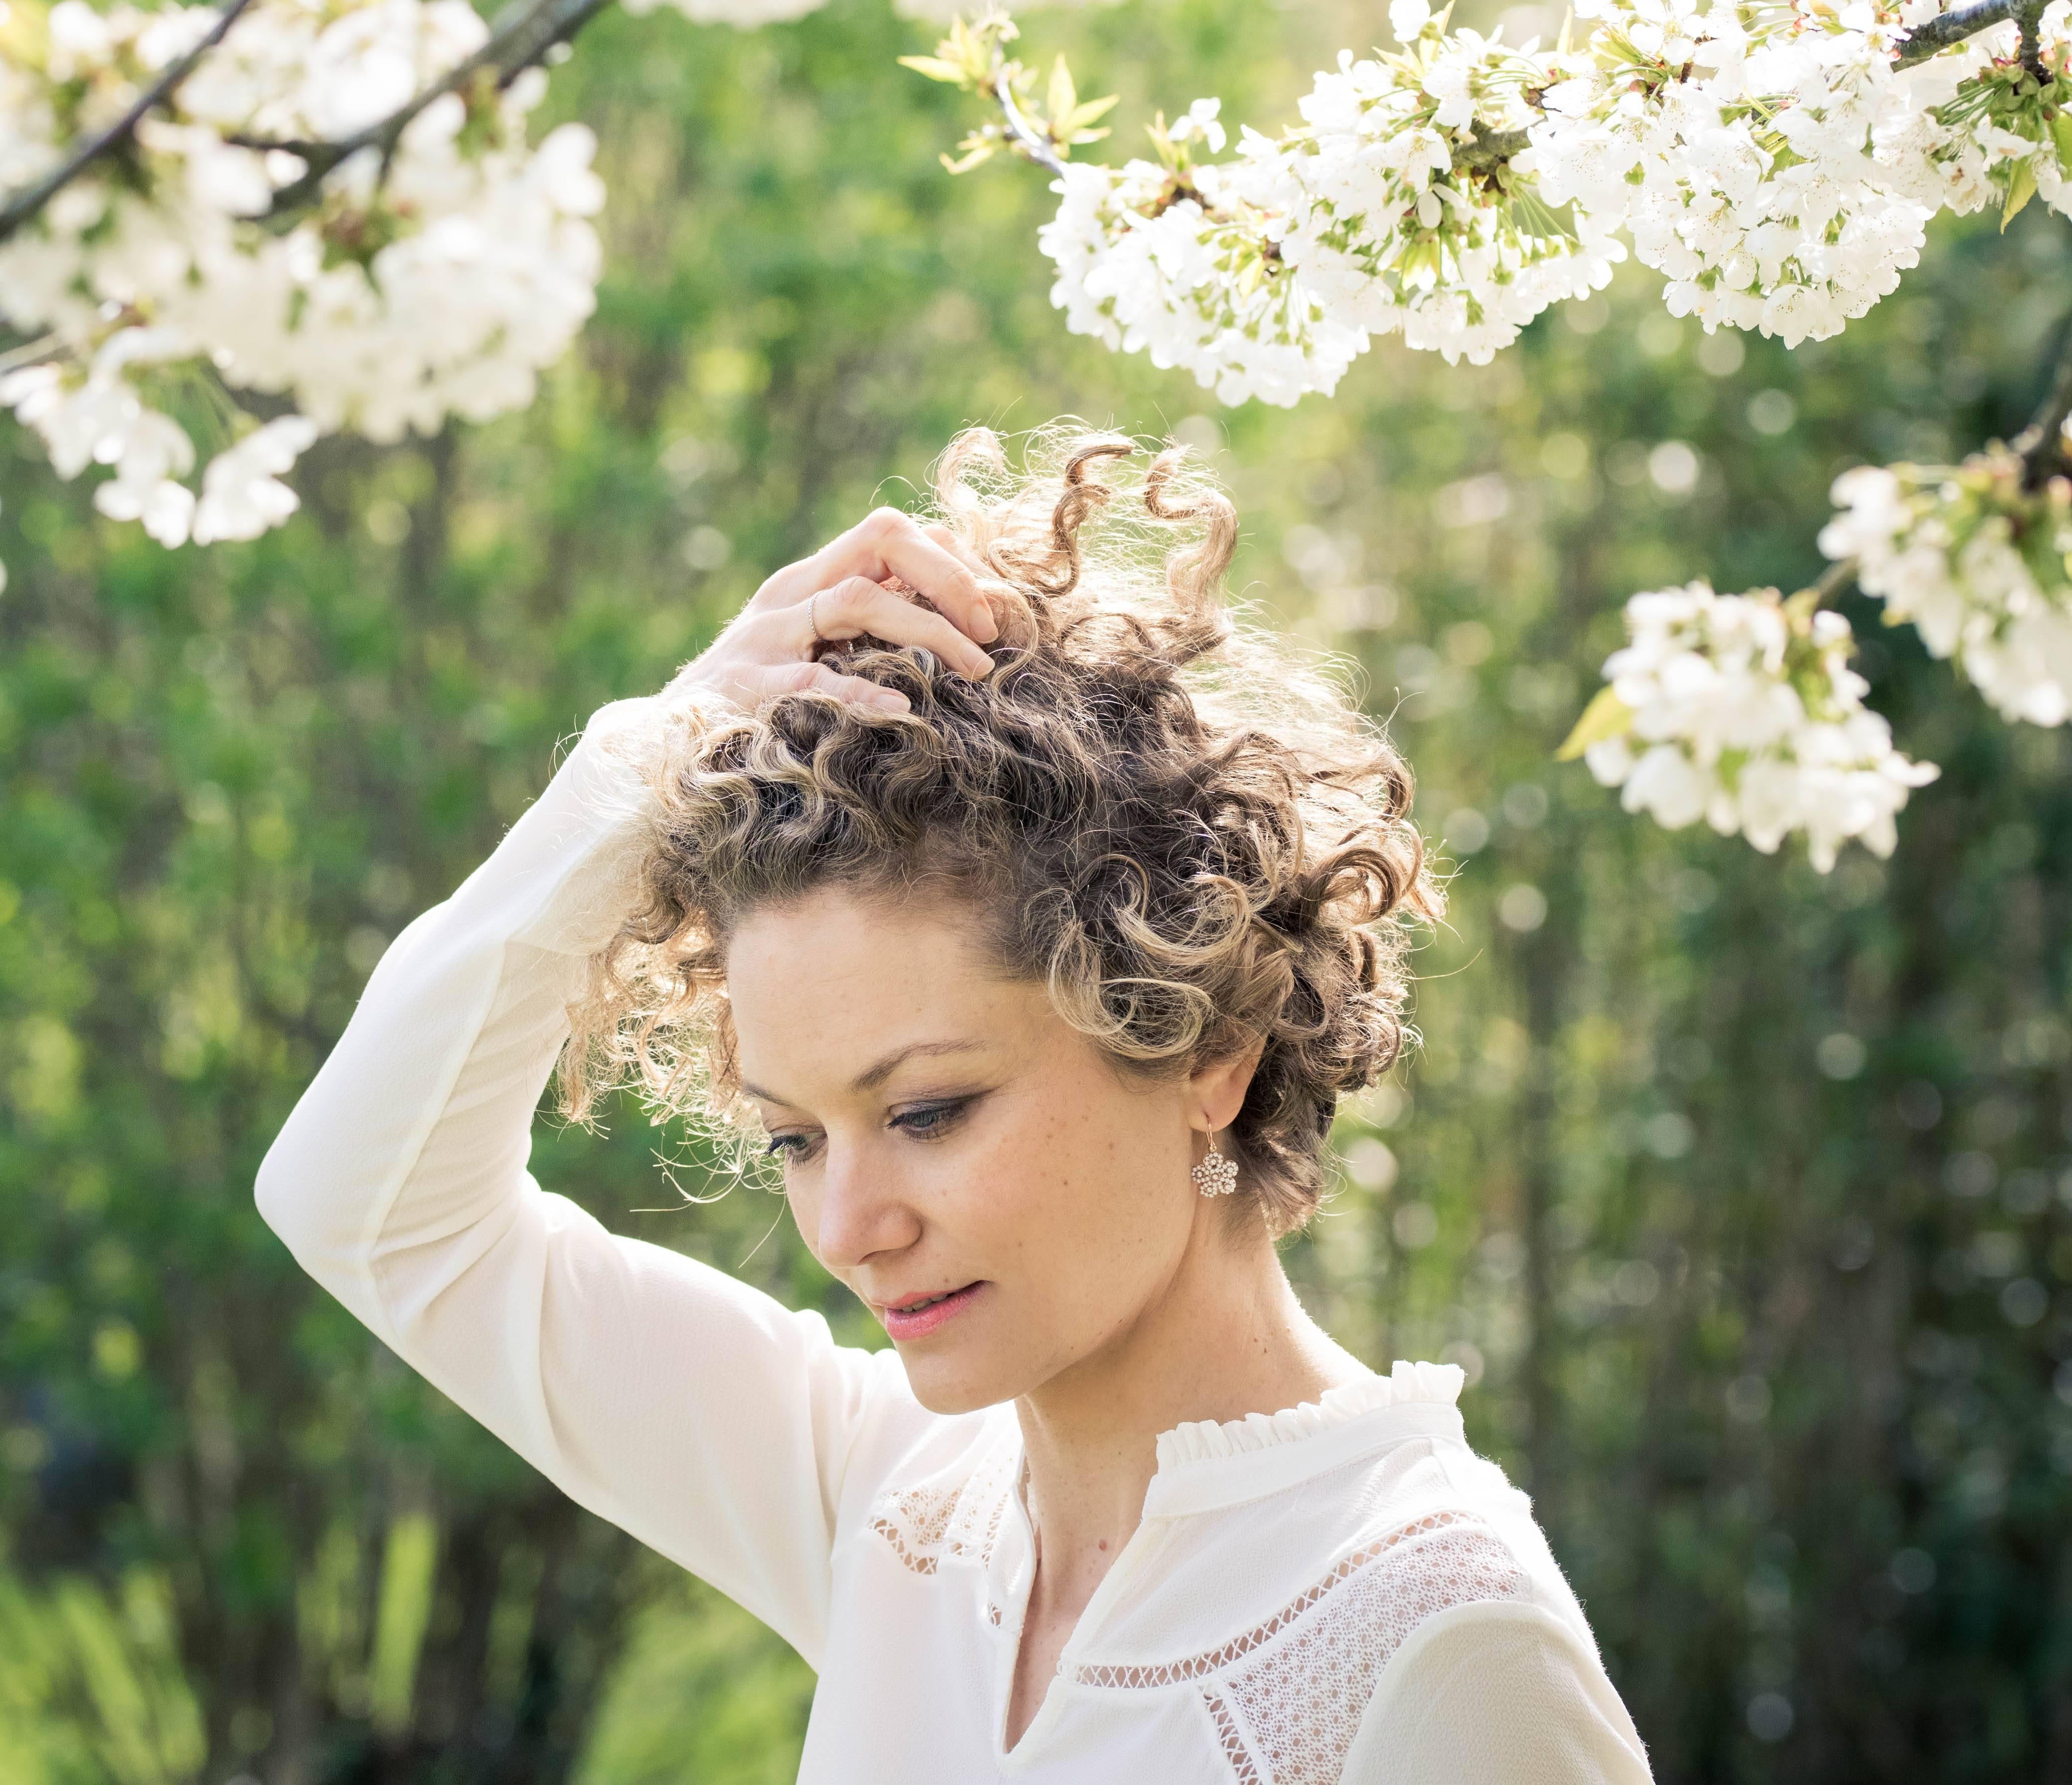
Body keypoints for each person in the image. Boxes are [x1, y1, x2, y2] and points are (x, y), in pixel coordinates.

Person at [257, 426, 1654, 1781]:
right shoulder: (888, 1498)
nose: (848, 1229)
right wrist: (648, 756)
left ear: (1207, 1049)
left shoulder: (1443, 1645)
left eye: (927, 1113)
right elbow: (368, 1210)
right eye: (794, 1139)